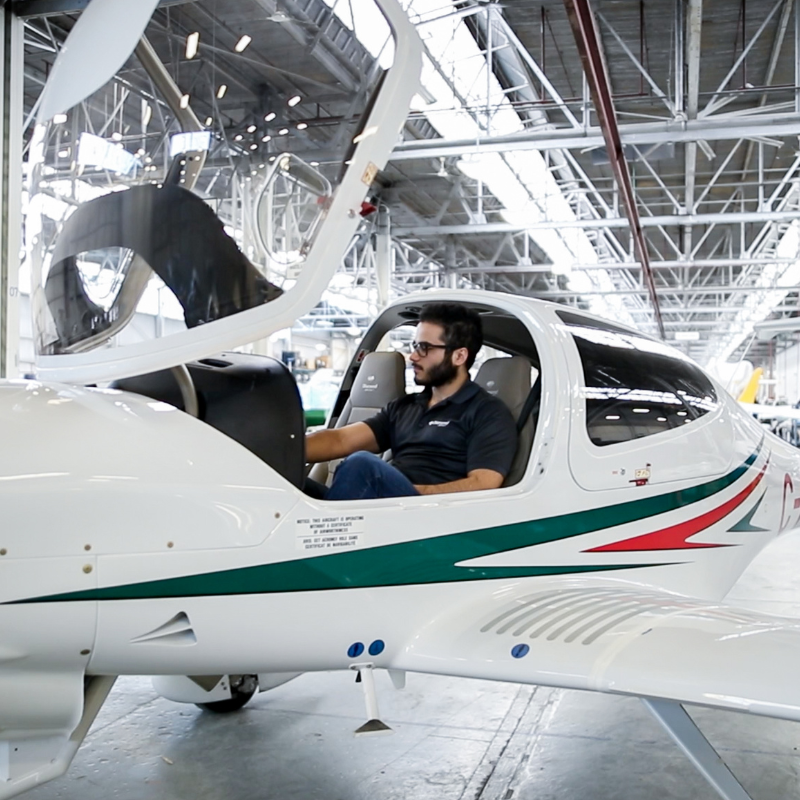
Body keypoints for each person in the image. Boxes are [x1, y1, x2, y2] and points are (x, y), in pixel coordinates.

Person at [305, 302, 518, 501]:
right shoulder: (405, 407)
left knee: (361, 463)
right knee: (292, 482)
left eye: (425, 348)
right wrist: (289, 449)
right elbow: (340, 440)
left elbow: (484, 483)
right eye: (415, 346)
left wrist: (404, 492)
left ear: (459, 356)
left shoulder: (488, 413)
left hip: (423, 511)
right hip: (385, 504)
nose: (414, 356)